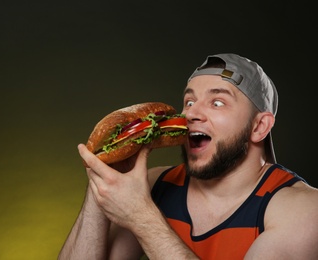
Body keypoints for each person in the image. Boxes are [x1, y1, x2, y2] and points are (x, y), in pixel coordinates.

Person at [58, 53, 318, 259]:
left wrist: (142, 218)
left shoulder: (303, 210)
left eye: (217, 103)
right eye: (190, 102)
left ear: (259, 126)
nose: (192, 114)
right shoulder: (152, 185)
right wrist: (100, 182)